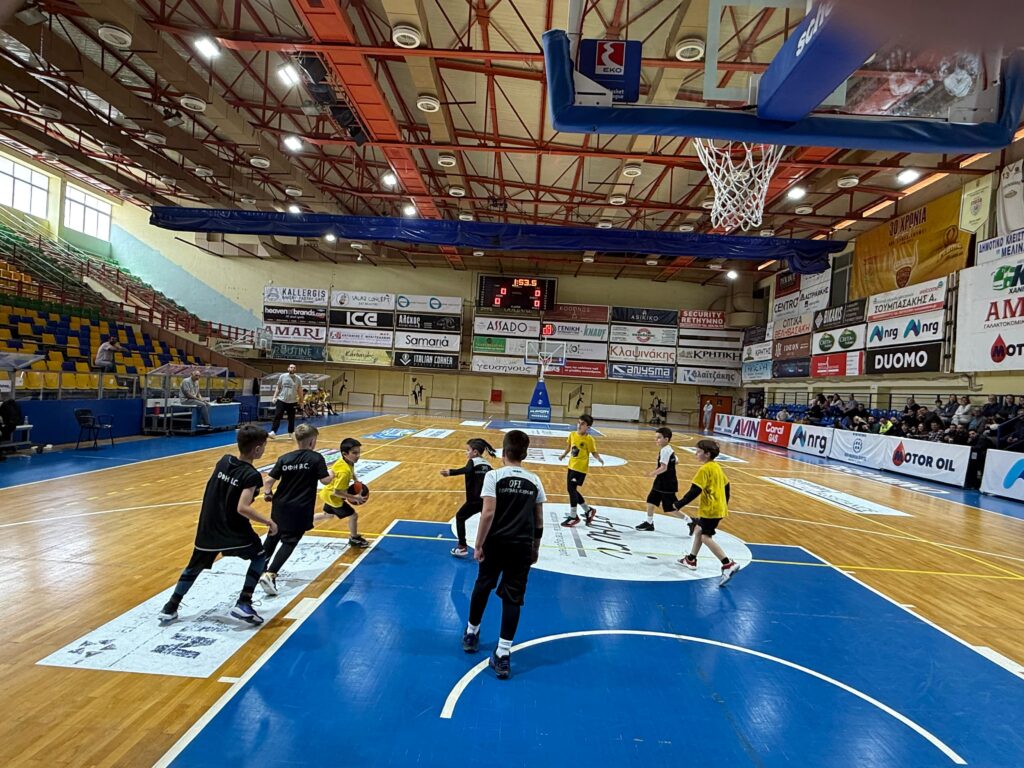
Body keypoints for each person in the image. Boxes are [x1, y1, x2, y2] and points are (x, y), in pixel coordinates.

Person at [157, 425, 276, 626]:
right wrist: (268, 521)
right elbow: (242, 508)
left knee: (193, 567)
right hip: (232, 529)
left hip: (208, 526)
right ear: (257, 449)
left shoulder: (224, 461)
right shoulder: (251, 475)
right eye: (263, 446)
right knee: (259, 556)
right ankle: (244, 602)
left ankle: (170, 607)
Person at [461, 429, 546, 681]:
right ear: (525, 454)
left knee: (483, 585)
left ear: (503, 452)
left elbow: (487, 513)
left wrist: (478, 544)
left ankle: (471, 633)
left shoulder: (494, 476)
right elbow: (539, 520)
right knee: (513, 598)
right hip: (521, 546)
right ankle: (503, 653)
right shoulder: (535, 480)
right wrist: (535, 547)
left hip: (496, 543)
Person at [258, 424, 333, 596]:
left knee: (273, 536)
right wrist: (332, 474)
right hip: (300, 507)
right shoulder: (316, 458)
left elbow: (268, 481)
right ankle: (271, 574)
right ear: (312, 441)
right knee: (290, 541)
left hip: (280, 504)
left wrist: (268, 494)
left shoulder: (285, 458)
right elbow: (325, 481)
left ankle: (258, 569)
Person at [673, 439, 741, 586]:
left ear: (707, 454)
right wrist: (724, 503)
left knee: (705, 537)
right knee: (698, 530)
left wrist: (679, 504)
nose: (695, 454)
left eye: (698, 452)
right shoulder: (716, 467)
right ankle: (691, 559)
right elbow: (727, 485)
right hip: (718, 508)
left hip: (711, 510)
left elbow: (695, 491)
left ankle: (727, 564)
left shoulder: (704, 470)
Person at [442, 438, 497, 558]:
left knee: (460, 517)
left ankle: (462, 547)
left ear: (475, 452)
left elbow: (467, 470)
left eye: (468, 450)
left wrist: (450, 472)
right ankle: (488, 548)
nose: (466, 452)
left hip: (474, 500)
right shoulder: (488, 464)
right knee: (487, 524)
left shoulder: (473, 461)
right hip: (486, 501)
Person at [317, 437, 370, 549]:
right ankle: (354, 538)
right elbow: (337, 492)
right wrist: (354, 497)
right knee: (353, 516)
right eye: (354, 453)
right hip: (333, 497)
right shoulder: (344, 472)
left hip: (327, 493)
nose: (358, 455)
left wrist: (356, 480)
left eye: (358, 452)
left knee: (328, 515)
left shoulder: (346, 461)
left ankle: (302, 521)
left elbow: (351, 471)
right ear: (345, 454)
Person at [558, 414, 605, 528]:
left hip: (580, 468)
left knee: (571, 489)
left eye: (582, 424)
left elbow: (593, 452)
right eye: (578, 422)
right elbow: (569, 447)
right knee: (571, 489)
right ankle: (588, 510)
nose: (579, 425)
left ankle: (573, 516)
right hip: (571, 466)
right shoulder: (572, 434)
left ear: (588, 427)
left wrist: (599, 458)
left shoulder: (589, 439)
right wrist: (563, 455)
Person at [635, 427, 678, 532]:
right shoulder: (669, 449)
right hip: (662, 481)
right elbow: (676, 460)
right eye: (656, 437)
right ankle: (649, 523)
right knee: (651, 500)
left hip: (666, 483)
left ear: (666, 439)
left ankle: (690, 521)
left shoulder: (665, 451)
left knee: (670, 508)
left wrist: (651, 474)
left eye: (659, 437)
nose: (656, 440)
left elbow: (664, 468)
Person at [268, 364, 304, 439]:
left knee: (291, 418)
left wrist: (301, 401)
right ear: (288, 368)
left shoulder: (298, 379)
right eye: (291, 367)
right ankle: (273, 432)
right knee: (277, 416)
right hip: (281, 400)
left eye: (294, 368)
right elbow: (278, 387)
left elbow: (300, 390)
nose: (292, 369)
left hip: (293, 401)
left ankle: (291, 433)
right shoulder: (282, 376)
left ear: (295, 369)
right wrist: (274, 397)